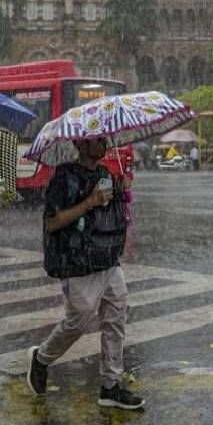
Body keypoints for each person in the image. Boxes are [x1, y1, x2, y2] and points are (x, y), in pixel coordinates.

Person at [27, 137, 144, 410]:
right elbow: (53, 222)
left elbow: (114, 213)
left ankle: (110, 385)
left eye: (104, 139)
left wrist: (123, 191)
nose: (102, 144)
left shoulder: (105, 173)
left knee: (116, 319)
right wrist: (89, 202)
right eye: (95, 140)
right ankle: (42, 358)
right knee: (78, 322)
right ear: (80, 144)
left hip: (108, 258)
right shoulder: (63, 177)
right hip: (78, 262)